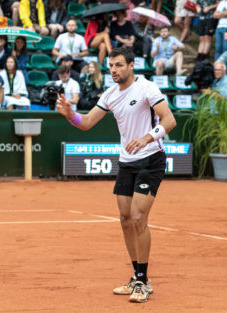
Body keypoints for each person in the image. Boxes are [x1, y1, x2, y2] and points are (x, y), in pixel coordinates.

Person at [57, 46, 176, 303]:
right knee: (124, 218)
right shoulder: (110, 94)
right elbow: (87, 122)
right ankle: (137, 276)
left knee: (137, 217)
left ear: (131, 65)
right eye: (111, 66)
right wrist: (70, 115)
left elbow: (169, 120)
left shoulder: (147, 88)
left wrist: (147, 138)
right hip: (126, 161)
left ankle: (143, 282)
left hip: (151, 160)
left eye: (119, 65)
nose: (113, 70)